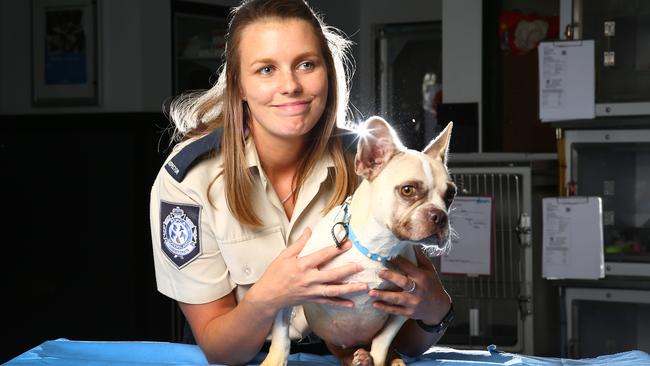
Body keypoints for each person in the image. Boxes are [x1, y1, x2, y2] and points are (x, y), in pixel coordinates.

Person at [149, 0, 453, 364]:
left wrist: (436, 309)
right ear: (238, 85)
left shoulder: (374, 166)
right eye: (265, 69)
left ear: (329, 72)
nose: (290, 85)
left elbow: (405, 330)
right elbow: (219, 348)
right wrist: (270, 295)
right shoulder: (191, 179)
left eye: (306, 64)